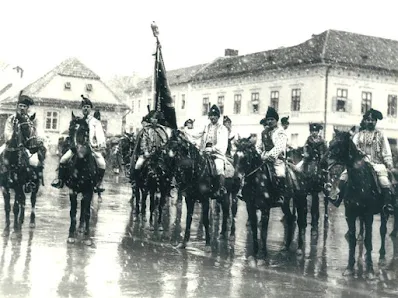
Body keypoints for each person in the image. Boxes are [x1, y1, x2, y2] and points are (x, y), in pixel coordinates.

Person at [333, 109, 394, 214]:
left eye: (373, 120)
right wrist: (358, 153)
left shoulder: (381, 135)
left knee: (384, 181)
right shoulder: (358, 135)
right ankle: (338, 197)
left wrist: (388, 162)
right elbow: (352, 148)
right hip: (360, 163)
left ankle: (386, 204)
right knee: (344, 176)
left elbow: (386, 150)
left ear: (376, 121)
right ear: (365, 121)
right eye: (368, 120)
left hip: (377, 163)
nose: (370, 122)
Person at [51, 95, 107, 193]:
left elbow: (100, 135)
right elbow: (72, 134)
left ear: (90, 109)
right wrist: (73, 145)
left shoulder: (95, 122)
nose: (86, 109)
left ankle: (99, 183)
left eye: (88, 107)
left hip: (92, 147)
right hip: (77, 147)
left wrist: (99, 144)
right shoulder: (77, 121)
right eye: (84, 107)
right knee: (64, 159)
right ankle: (60, 180)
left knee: (102, 163)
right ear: (81, 109)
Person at [0, 92, 40, 166]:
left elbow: (35, 132)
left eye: (24, 106)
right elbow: (7, 132)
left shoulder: (32, 119)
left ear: (27, 108)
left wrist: (31, 141)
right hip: (12, 145)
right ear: (18, 106)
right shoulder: (11, 118)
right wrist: (14, 139)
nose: (22, 108)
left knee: (34, 162)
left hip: (27, 146)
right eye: (20, 106)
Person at [130, 109, 169, 184]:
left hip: (159, 154)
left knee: (168, 167)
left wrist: (161, 149)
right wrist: (145, 151)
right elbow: (143, 142)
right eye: (152, 118)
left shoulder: (161, 130)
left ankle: (168, 185)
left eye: (156, 119)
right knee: (138, 165)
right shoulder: (146, 130)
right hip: (147, 154)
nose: (154, 120)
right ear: (150, 119)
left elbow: (165, 141)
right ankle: (136, 182)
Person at [199, 105, 229, 197]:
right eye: (211, 115)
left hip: (216, 154)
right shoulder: (206, 128)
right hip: (204, 153)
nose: (212, 117)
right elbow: (201, 138)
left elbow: (223, 143)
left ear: (218, 117)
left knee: (219, 167)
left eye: (215, 115)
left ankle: (221, 188)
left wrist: (212, 149)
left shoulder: (222, 128)